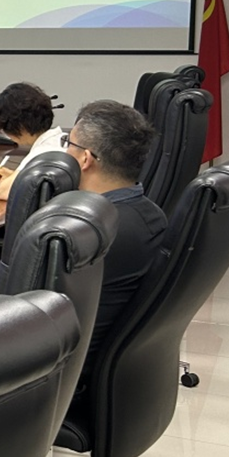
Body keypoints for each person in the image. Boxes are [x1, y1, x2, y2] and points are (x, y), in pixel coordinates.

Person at [61, 100, 167, 366]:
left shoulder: (89, 235)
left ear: (85, 158)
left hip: (62, 368)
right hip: (102, 361)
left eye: (68, 144)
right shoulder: (153, 216)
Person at [0, 82, 64, 200]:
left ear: (19, 126)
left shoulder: (42, 154)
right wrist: (14, 176)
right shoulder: (60, 140)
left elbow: (4, 192)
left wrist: (9, 181)